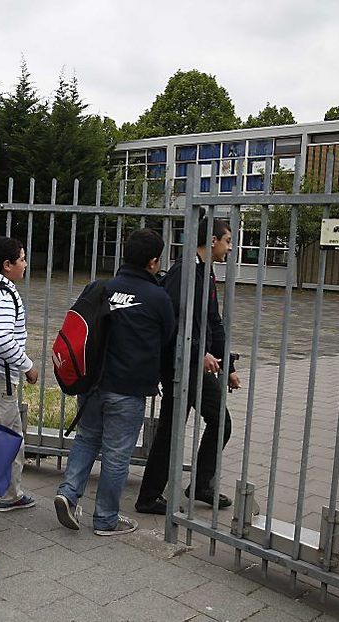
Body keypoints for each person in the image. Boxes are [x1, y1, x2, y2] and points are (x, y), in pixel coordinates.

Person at [54, 229, 175, 536]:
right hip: (128, 390)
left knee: (86, 439)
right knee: (117, 454)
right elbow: (169, 338)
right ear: (153, 261)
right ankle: (106, 518)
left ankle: (68, 494)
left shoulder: (100, 287)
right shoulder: (157, 297)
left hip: (92, 384)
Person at [135, 216, 242, 516]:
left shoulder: (204, 272)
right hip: (180, 365)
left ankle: (160, 494)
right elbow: (173, 322)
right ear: (212, 241)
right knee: (218, 421)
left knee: (176, 428)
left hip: (194, 363)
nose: (230, 248)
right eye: (228, 241)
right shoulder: (185, 271)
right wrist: (199, 353)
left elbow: (212, 322)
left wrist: (228, 364)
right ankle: (182, 489)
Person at [0, 236, 39, 512]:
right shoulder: (3, 295)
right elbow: (2, 338)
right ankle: (10, 494)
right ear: (7, 265)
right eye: (22, 259)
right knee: (9, 435)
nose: (25, 264)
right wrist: (27, 365)